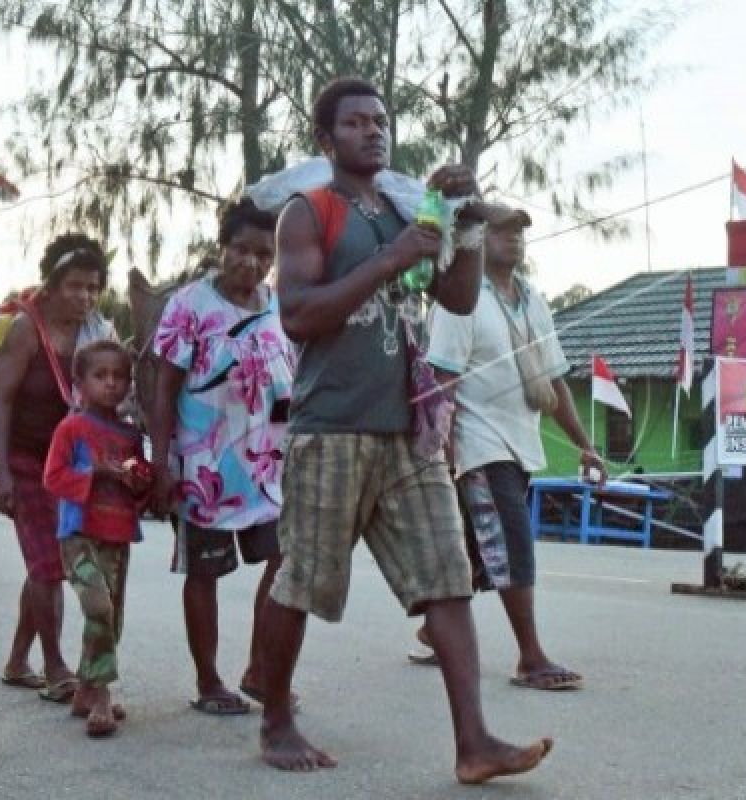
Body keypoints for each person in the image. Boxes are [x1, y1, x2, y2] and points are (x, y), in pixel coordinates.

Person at [259, 76, 552, 781]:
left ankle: (474, 742)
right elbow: (297, 315)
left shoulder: (401, 209)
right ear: (327, 140)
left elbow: (453, 294)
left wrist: (466, 220)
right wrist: (389, 261)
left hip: (407, 428)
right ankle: (273, 719)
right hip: (330, 425)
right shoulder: (309, 213)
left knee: (448, 579)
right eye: (356, 123)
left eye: (381, 121)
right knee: (300, 580)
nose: (374, 131)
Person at [410, 203, 605, 690]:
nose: (513, 238)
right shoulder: (459, 301)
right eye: (500, 230)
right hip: (478, 441)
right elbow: (443, 381)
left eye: (519, 231)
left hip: (521, 440)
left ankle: (436, 630)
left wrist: (586, 444)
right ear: (475, 240)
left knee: (475, 547)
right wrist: (444, 450)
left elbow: (554, 379)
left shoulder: (533, 300)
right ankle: (531, 656)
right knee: (512, 541)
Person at [149, 198, 295, 716]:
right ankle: (209, 681)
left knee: (284, 563)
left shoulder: (279, 303)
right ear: (222, 248)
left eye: (263, 254)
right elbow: (163, 387)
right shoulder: (191, 304)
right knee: (204, 573)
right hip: (204, 468)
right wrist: (162, 460)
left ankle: (260, 668)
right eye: (241, 250)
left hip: (268, 467)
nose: (252, 264)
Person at [0, 234, 115, 701]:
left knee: (46, 563)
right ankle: (55, 664)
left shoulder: (96, 332)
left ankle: (18, 660)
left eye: (93, 287)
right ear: (53, 285)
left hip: (67, 466)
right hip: (24, 462)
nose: (84, 297)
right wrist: (1, 472)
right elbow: (1, 404)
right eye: (75, 286)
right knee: (47, 566)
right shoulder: (27, 329)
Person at [43, 340, 150, 737]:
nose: (111, 384)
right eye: (100, 376)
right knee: (98, 607)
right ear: (81, 382)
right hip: (78, 535)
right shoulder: (70, 429)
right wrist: (98, 474)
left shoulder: (129, 435)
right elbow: (52, 478)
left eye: (119, 376)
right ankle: (102, 696)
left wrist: (139, 480)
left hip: (117, 535)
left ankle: (86, 689)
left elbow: (140, 487)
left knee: (110, 616)